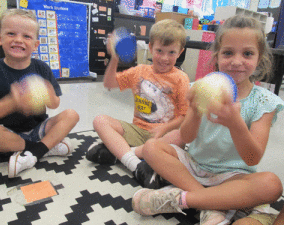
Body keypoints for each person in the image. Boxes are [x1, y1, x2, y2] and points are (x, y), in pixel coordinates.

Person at [131, 15, 284, 224]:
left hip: (233, 176)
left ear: (260, 58)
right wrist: (194, 110)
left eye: (247, 53)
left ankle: (183, 198)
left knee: (271, 184)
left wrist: (235, 123)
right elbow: (186, 137)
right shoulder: (201, 88)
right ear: (217, 56)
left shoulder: (264, 102)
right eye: (228, 53)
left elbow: (252, 158)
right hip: (194, 166)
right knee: (151, 148)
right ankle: (211, 205)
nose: (237, 61)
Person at [86, 19, 190, 189]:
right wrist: (114, 58)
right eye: (159, 51)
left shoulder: (181, 78)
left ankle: (119, 153)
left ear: (180, 52)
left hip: (163, 137)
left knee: (180, 136)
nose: (164, 58)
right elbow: (109, 83)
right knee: (99, 120)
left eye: (171, 52)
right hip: (138, 131)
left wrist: (164, 128)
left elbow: (185, 117)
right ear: (150, 48)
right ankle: (136, 164)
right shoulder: (140, 71)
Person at [0, 9, 79, 178]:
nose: (18, 40)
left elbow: (54, 104)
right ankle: (42, 148)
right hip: (8, 133)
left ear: (36, 44)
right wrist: (13, 102)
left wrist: (49, 93)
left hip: (38, 128)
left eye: (26, 36)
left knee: (72, 115)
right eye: (11, 33)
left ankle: (35, 150)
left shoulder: (41, 68)